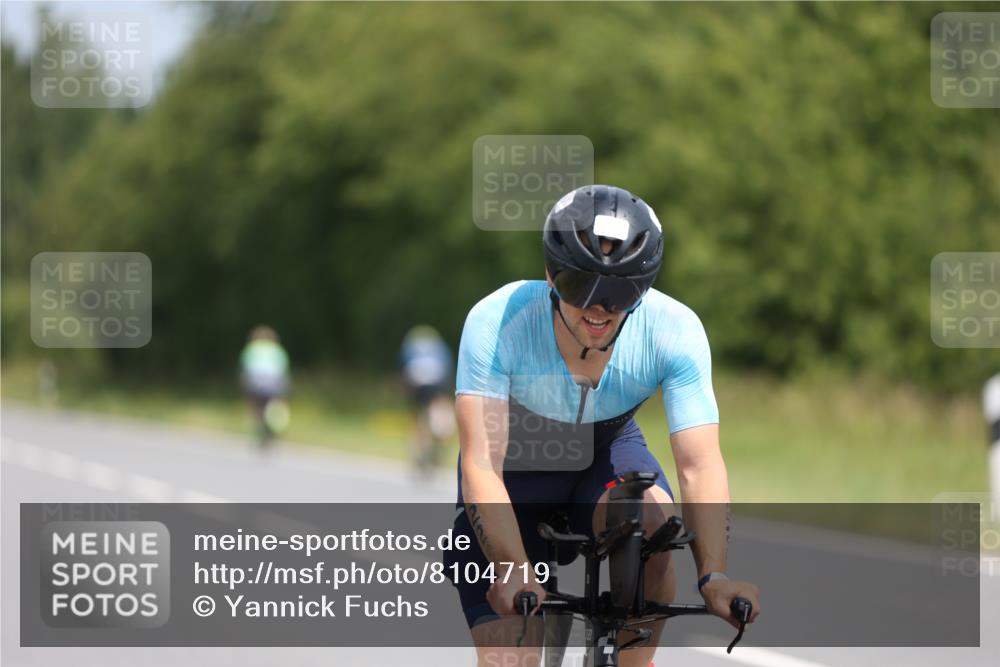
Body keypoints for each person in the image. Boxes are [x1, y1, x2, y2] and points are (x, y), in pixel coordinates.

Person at [446, 185, 761, 666]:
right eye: (581, 286)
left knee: (652, 526)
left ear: (646, 285)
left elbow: (699, 466)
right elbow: (483, 462)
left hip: (606, 453)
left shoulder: (674, 330)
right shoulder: (497, 320)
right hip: (515, 474)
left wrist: (713, 576)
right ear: (551, 275)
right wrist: (511, 565)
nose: (599, 308)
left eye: (621, 291)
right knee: (511, 659)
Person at [400, 324, 455, 475]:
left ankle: (420, 450)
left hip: (416, 383)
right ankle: (437, 448)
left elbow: (404, 369)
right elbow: (447, 368)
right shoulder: (440, 347)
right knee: (440, 414)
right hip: (438, 382)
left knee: (418, 418)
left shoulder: (410, 347)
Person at [239, 325, 291, 450]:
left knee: (256, 406)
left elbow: (245, 369)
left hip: (255, 382)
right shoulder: (277, 350)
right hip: (274, 382)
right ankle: (275, 423)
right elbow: (282, 369)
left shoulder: (252, 349)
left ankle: (258, 425)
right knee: (276, 403)